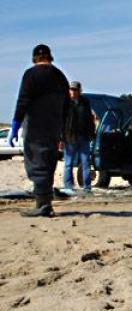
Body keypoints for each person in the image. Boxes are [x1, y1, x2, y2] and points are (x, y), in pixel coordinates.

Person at [8, 44, 70, 217]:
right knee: (48, 161)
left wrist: (15, 124)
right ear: (50, 57)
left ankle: (42, 204)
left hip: (36, 124)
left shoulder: (31, 75)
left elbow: (23, 100)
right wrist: (63, 131)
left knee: (36, 161)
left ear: (34, 58)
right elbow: (67, 106)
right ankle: (46, 202)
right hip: (54, 125)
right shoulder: (60, 76)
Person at [62, 81, 96, 193]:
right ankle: (68, 187)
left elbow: (90, 120)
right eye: (71, 89)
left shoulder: (85, 102)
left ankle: (87, 188)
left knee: (86, 163)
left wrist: (92, 133)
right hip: (69, 137)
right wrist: (60, 138)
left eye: (75, 89)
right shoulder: (65, 103)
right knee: (68, 163)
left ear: (79, 91)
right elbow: (61, 122)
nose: (73, 92)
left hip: (84, 137)